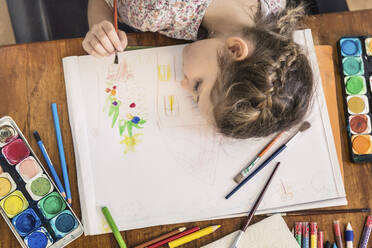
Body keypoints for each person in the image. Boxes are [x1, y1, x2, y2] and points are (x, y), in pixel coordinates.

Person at [83, 0, 313, 139]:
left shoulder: (274, 7)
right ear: (234, 49)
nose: (183, 84)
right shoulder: (149, 10)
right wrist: (102, 21)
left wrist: (100, 29)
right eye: (198, 85)